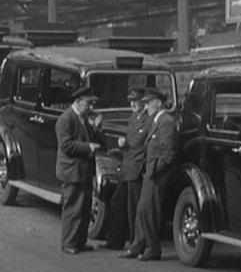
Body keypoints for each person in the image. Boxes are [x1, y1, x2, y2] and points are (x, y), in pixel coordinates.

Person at [126, 88, 178, 261]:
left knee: (149, 210)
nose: (146, 106)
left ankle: (152, 248)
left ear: (157, 103)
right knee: (142, 210)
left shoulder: (166, 122)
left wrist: (155, 169)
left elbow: (168, 153)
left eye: (148, 103)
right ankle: (138, 246)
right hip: (150, 172)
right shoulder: (157, 120)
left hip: (157, 174)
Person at [55, 86, 107, 255]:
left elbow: (94, 139)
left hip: (83, 170)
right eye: (88, 103)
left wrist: (97, 129)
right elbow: (66, 145)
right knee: (73, 208)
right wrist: (87, 147)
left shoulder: (83, 119)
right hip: (72, 171)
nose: (91, 107)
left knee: (85, 208)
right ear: (77, 101)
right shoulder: (65, 120)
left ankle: (80, 241)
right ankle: (68, 242)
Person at [100, 88, 150, 252]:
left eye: (135, 101)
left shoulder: (148, 120)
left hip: (136, 168)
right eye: (131, 101)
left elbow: (140, 143)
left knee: (133, 208)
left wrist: (125, 143)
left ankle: (135, 243)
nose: (132, 104)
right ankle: (115, 240)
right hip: (127, 166)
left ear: (144, 101)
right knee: (118, 203)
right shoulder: (134, 118)